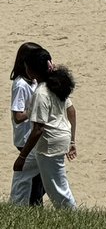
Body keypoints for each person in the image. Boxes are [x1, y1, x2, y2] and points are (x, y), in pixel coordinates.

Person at [13, 50, 76, 210]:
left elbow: (38, 130)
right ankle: (17, 206)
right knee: (23, 170)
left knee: (56, 188)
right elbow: (72, 110)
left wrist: (22, 155)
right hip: (59, 138)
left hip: (49, 145)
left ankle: (73, 215)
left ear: (32, 70)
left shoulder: (41, 93)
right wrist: (72, 141)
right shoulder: (55, 84)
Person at [10, 42, 47, 206]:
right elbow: (18, 116)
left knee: (40, 179)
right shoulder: (20, 85)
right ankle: (32, 205)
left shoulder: (33, 81)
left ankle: (34, 204)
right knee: (34, 180)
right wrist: (34, 109)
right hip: (26, 138)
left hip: (34, 137)